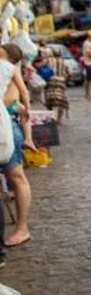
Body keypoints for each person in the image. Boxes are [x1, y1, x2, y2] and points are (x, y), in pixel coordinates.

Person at [0, 44, 34, 248]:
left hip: (6, 129)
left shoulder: (9, 68)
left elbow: (20, 95)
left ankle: (22, 228)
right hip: (6, 125)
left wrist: (26, 111)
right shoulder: (8, 68)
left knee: (16, 176)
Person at [42, 47, 70, 124]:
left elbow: (42, 68)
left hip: (50, 81)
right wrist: (66, 79)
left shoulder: (48, 61)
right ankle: (59, 119)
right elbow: (69, 73)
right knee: (61, 100)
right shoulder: (63, 62)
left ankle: (51, 117)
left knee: (50, 100)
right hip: (61, 81)